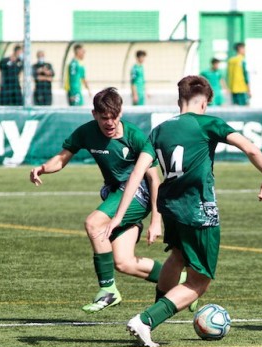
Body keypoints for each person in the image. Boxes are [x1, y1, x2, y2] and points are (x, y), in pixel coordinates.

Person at [104, 75, 262, 347]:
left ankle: (157, 314)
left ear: (178, 101)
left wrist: (117, 216)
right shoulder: (208, 123)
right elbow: (250, 148)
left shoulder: (159, 130)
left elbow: (138, 173)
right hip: (199, 211)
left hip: (170, 208)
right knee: (200, 280)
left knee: (178, 256)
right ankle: (146, 320)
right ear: (205, 103)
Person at [29, 88, 164, 313]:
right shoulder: (86, 132)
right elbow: (62, 159)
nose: (109, 122)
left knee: (93, 223)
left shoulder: (134, 136)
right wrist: (42, 169)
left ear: (120, 113)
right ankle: (179, 280)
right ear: (94, 114)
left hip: (138, 194)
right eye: (104, 118)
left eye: (114, 116)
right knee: (124, 262)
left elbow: (154, 179)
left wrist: (156, 221)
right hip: (114, 194)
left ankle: (108, 290)